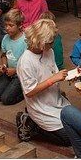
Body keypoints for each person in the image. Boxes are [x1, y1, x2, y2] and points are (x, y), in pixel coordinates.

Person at [16, 18, 72, 146]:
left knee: (77, 126)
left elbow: (53, 72)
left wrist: (67, 76)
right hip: (40, 107)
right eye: (50, 42)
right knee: (69, 139)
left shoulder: (49, 51)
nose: (52, 45)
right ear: (41, 42)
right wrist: (53, 79)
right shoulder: (25, 62)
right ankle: (31, 124)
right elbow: (29, 92)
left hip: (55, 100)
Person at [0, 8, 27, 106]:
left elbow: (28, 63)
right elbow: (4, 54)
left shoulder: (25, 41)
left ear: (20, 26)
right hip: (8, 72)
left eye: (11, 25)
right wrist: (4, 65)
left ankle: (26, 92)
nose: (7, 28)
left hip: (21, 74)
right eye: (6, 25)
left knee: (6, 99)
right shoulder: (5, 38)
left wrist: (15, 70)